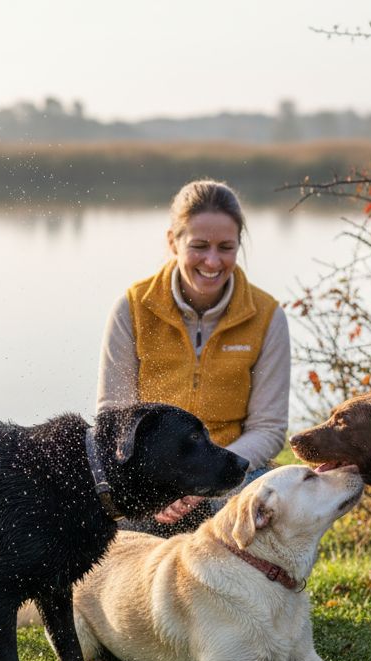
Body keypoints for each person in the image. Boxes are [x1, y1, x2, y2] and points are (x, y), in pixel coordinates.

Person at [98, 179, 291, 534]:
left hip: (234, 473)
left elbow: (269, 428)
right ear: (173, 241)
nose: (212, 261)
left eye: (226, 247)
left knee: (276, 513)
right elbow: (114, 417)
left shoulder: (267, 316)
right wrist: (161, 487)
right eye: (199, 246)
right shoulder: (132, 307)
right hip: (150, 479)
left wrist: (207, 479)